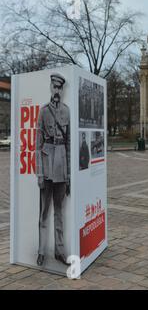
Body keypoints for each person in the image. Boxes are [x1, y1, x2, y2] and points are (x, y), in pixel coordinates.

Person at [35, 73, 70, 267]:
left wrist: (69, 175)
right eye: (54, 87)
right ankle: (41, 251)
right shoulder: (43, 112)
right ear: (50, 87)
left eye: (60, 88)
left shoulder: (67, 111)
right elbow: (36, 145)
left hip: (62, 167)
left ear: (62, 90)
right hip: (47, 166)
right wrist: (40, 173)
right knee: (44, 213)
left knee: (59, 213)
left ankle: (59, 251)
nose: (57, 91)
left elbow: (70, 144)